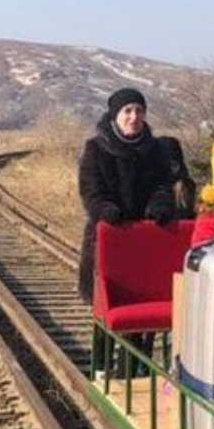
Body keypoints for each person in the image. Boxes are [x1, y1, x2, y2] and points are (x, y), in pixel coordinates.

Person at [77, 87, 181, 303]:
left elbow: (162, 185)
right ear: (116, 115)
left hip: (145, 234)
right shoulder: (96, 149)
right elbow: (90, 190)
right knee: (109, 299)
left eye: (139, 111)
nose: (134, 117)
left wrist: (160, 204)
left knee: (146, 295)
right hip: (110, 230)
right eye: (128, 111)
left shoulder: (156, 149)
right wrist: (104, 209)